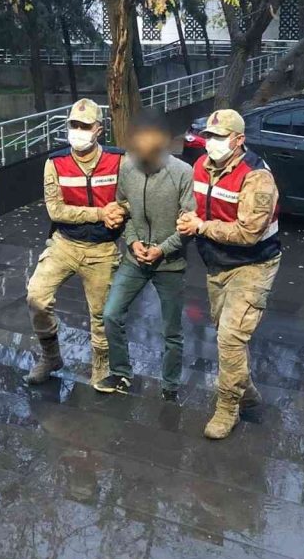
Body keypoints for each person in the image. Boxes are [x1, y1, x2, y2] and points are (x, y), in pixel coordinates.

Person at [177, 108, 281, 440]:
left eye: (220, 138)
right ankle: (247, 394)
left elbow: (250, 232)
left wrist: (201, 226)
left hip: (253, 265)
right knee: (227, 336)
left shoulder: (256, 176)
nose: (212, 144)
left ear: (238, 140)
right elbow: (194, 207)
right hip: (217, 264)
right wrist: (186, 220)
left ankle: (227, 409)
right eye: (209, 136)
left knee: (229, 338)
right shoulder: (200, 167)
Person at [25, 98, 125, 387]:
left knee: (100, 315)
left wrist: (121, 212)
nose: (78, 130)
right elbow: (55, 210)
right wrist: (99, 213)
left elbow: (129, 198)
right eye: (73, 125)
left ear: (99, 129)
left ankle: (101, 368)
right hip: (64, 244)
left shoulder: (119, 160)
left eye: (85, 126)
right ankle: (51, 356)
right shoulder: (55, 163)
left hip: (103, 249)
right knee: (37, 297)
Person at [95, 110, 194, 399]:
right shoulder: (127, 167)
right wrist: (133, 242)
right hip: (134, 259)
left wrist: (162, 250)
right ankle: (121, 373)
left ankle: (170, 386)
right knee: (111, 314)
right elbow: (121, 207)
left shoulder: (182, 173)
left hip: (170, 263)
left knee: (171, 332)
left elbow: (189, 223)